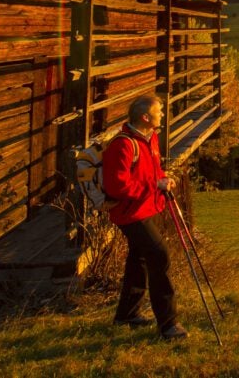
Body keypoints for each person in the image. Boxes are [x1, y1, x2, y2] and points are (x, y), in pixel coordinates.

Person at [101, 94, 188, 340]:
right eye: (159, 111)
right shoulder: (123, 145)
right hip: (129, 214)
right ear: (145, 117)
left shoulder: (151, 138)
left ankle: (127, 314)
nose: (163, 114)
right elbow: (117, 186)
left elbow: (154, 169)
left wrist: (163, 179)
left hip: (145, 208)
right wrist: (155, 185)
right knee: (160, 255)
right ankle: (169, 325)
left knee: (138, 258)